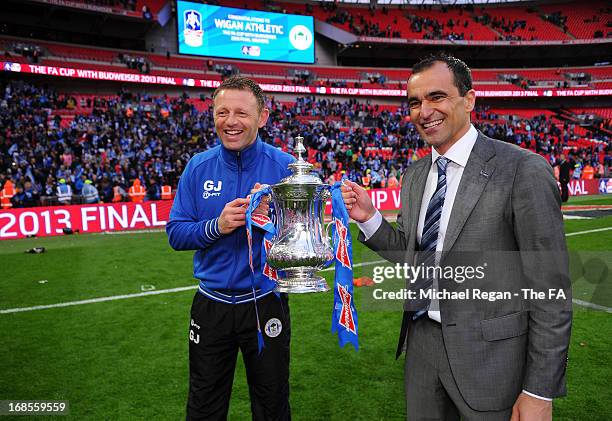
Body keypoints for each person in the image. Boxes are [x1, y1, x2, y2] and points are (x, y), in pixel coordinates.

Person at [342, 53, 571, 421]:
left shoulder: (522, 169)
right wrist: (369, 218)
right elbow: (415, 258)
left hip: (492, 358)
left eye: (437, 97)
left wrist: (539, 391)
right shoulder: (416, 175)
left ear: (469, 100)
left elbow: (550, 289)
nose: (424, 111)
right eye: (414, 102)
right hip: (422, 347)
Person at [167, 76, 294, 421]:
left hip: (265, 302)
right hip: (212, 305)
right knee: (204, 406)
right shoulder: (198, 166)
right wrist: (218, 227)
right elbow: (176, 233)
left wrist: (275, 221)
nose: (231, 121)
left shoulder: (285, 167)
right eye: (222, 112)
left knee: (272, 406)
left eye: (242, 112)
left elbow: (304, 237)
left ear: (263, 117)